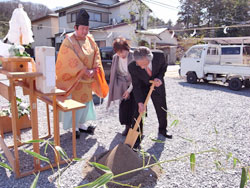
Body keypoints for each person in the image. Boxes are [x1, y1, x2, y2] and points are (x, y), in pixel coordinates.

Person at [56, 8, 107, 139]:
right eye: (82, 29)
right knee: (73, 103)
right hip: (74, 80)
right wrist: (83, 70)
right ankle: (73, 126)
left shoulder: (90, 39)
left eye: (87, 28)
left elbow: (96, 54)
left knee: (86, 103)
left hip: (87, 80)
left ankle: (82, 124)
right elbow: (67, 59)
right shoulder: (69, 41)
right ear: (75, 27)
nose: (85, 31)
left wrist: (94, 69)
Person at [128, 46, 172, 139]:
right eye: (139, 65)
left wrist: (159, 78)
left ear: (149, 58)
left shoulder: (159, 56)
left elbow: (163, 67)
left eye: (144, 64)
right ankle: (137, 135)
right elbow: (136, 85)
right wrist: (140, 102)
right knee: (138, 110)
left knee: (161, 107)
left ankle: (163, 129)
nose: (142, 67)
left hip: (157, 84)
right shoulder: (132, 67)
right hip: (142, 86)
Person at [107, 37, 136, 136]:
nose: (121, 55)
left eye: (122, 52)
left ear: (127, 48)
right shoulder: (116, 57)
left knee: (134, 107)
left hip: (134, 84)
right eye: (118, 53)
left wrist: (129, 90)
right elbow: (115, 74)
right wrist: (121, 88)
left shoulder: (134, 56)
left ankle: (136, 129)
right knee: (124, 107)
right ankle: (127, 127)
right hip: (122, 84)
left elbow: (136, 76)